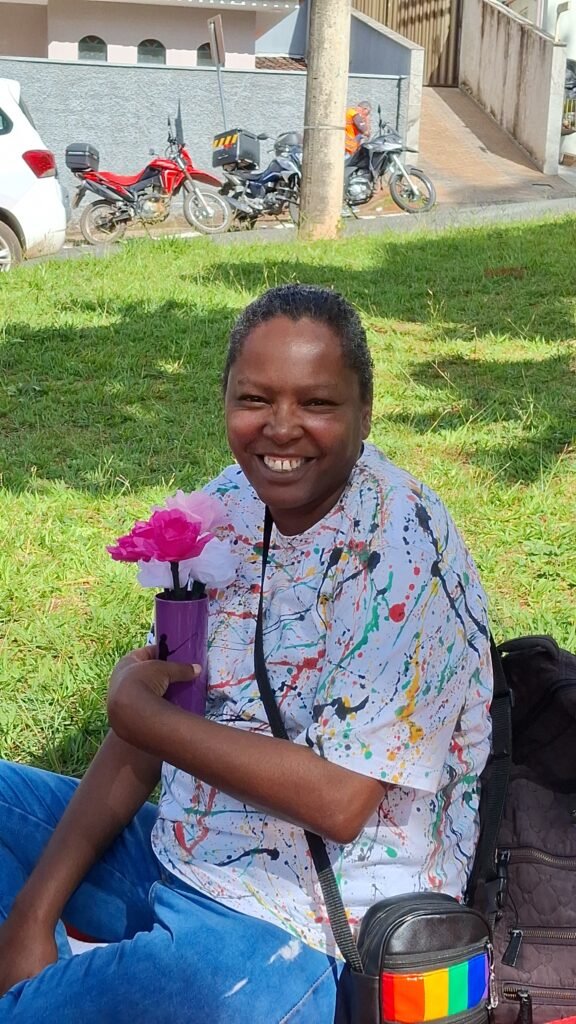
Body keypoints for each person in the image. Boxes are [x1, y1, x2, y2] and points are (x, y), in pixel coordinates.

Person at [0, 284, 493, 1023]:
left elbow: (340, 803)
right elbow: (164, 708)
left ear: (365, 412)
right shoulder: (226, 505)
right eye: (255, 399)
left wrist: (143, 716)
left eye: (317, 403)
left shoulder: (401, 546)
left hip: (307, 927)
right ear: (225, 399)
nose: (282, 427)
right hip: (183, 855)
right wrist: (32, 916)